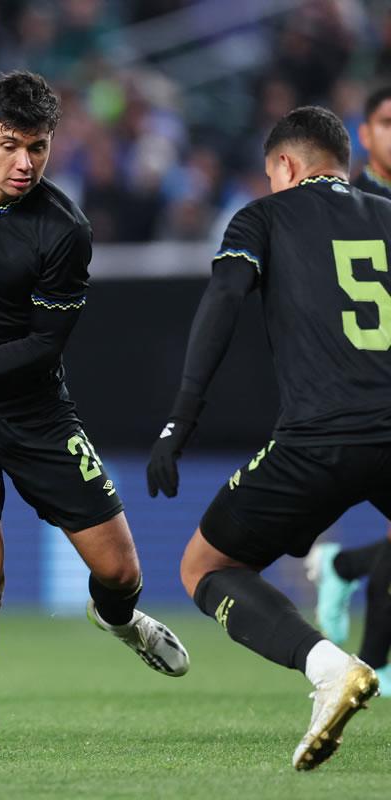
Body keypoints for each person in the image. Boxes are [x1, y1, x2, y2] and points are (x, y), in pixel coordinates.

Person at [0, 71, 189, 754]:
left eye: (39, 149)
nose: (24, 164)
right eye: (10, 145)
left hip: (34, 414)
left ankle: (120, 622)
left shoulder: (63, 232)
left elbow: (41, 346)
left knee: (120, 573)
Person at [148, 105, 386, 771]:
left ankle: (329, 669)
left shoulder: (264, 216)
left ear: (283, 166)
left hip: (319, 438)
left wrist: (180, 421)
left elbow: (223, 302)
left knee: (206, 566)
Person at [299, 86, 391, 680]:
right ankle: (377, 667)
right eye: (388, 121)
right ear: (364, 132)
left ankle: (345, 567)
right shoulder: (358, 207)